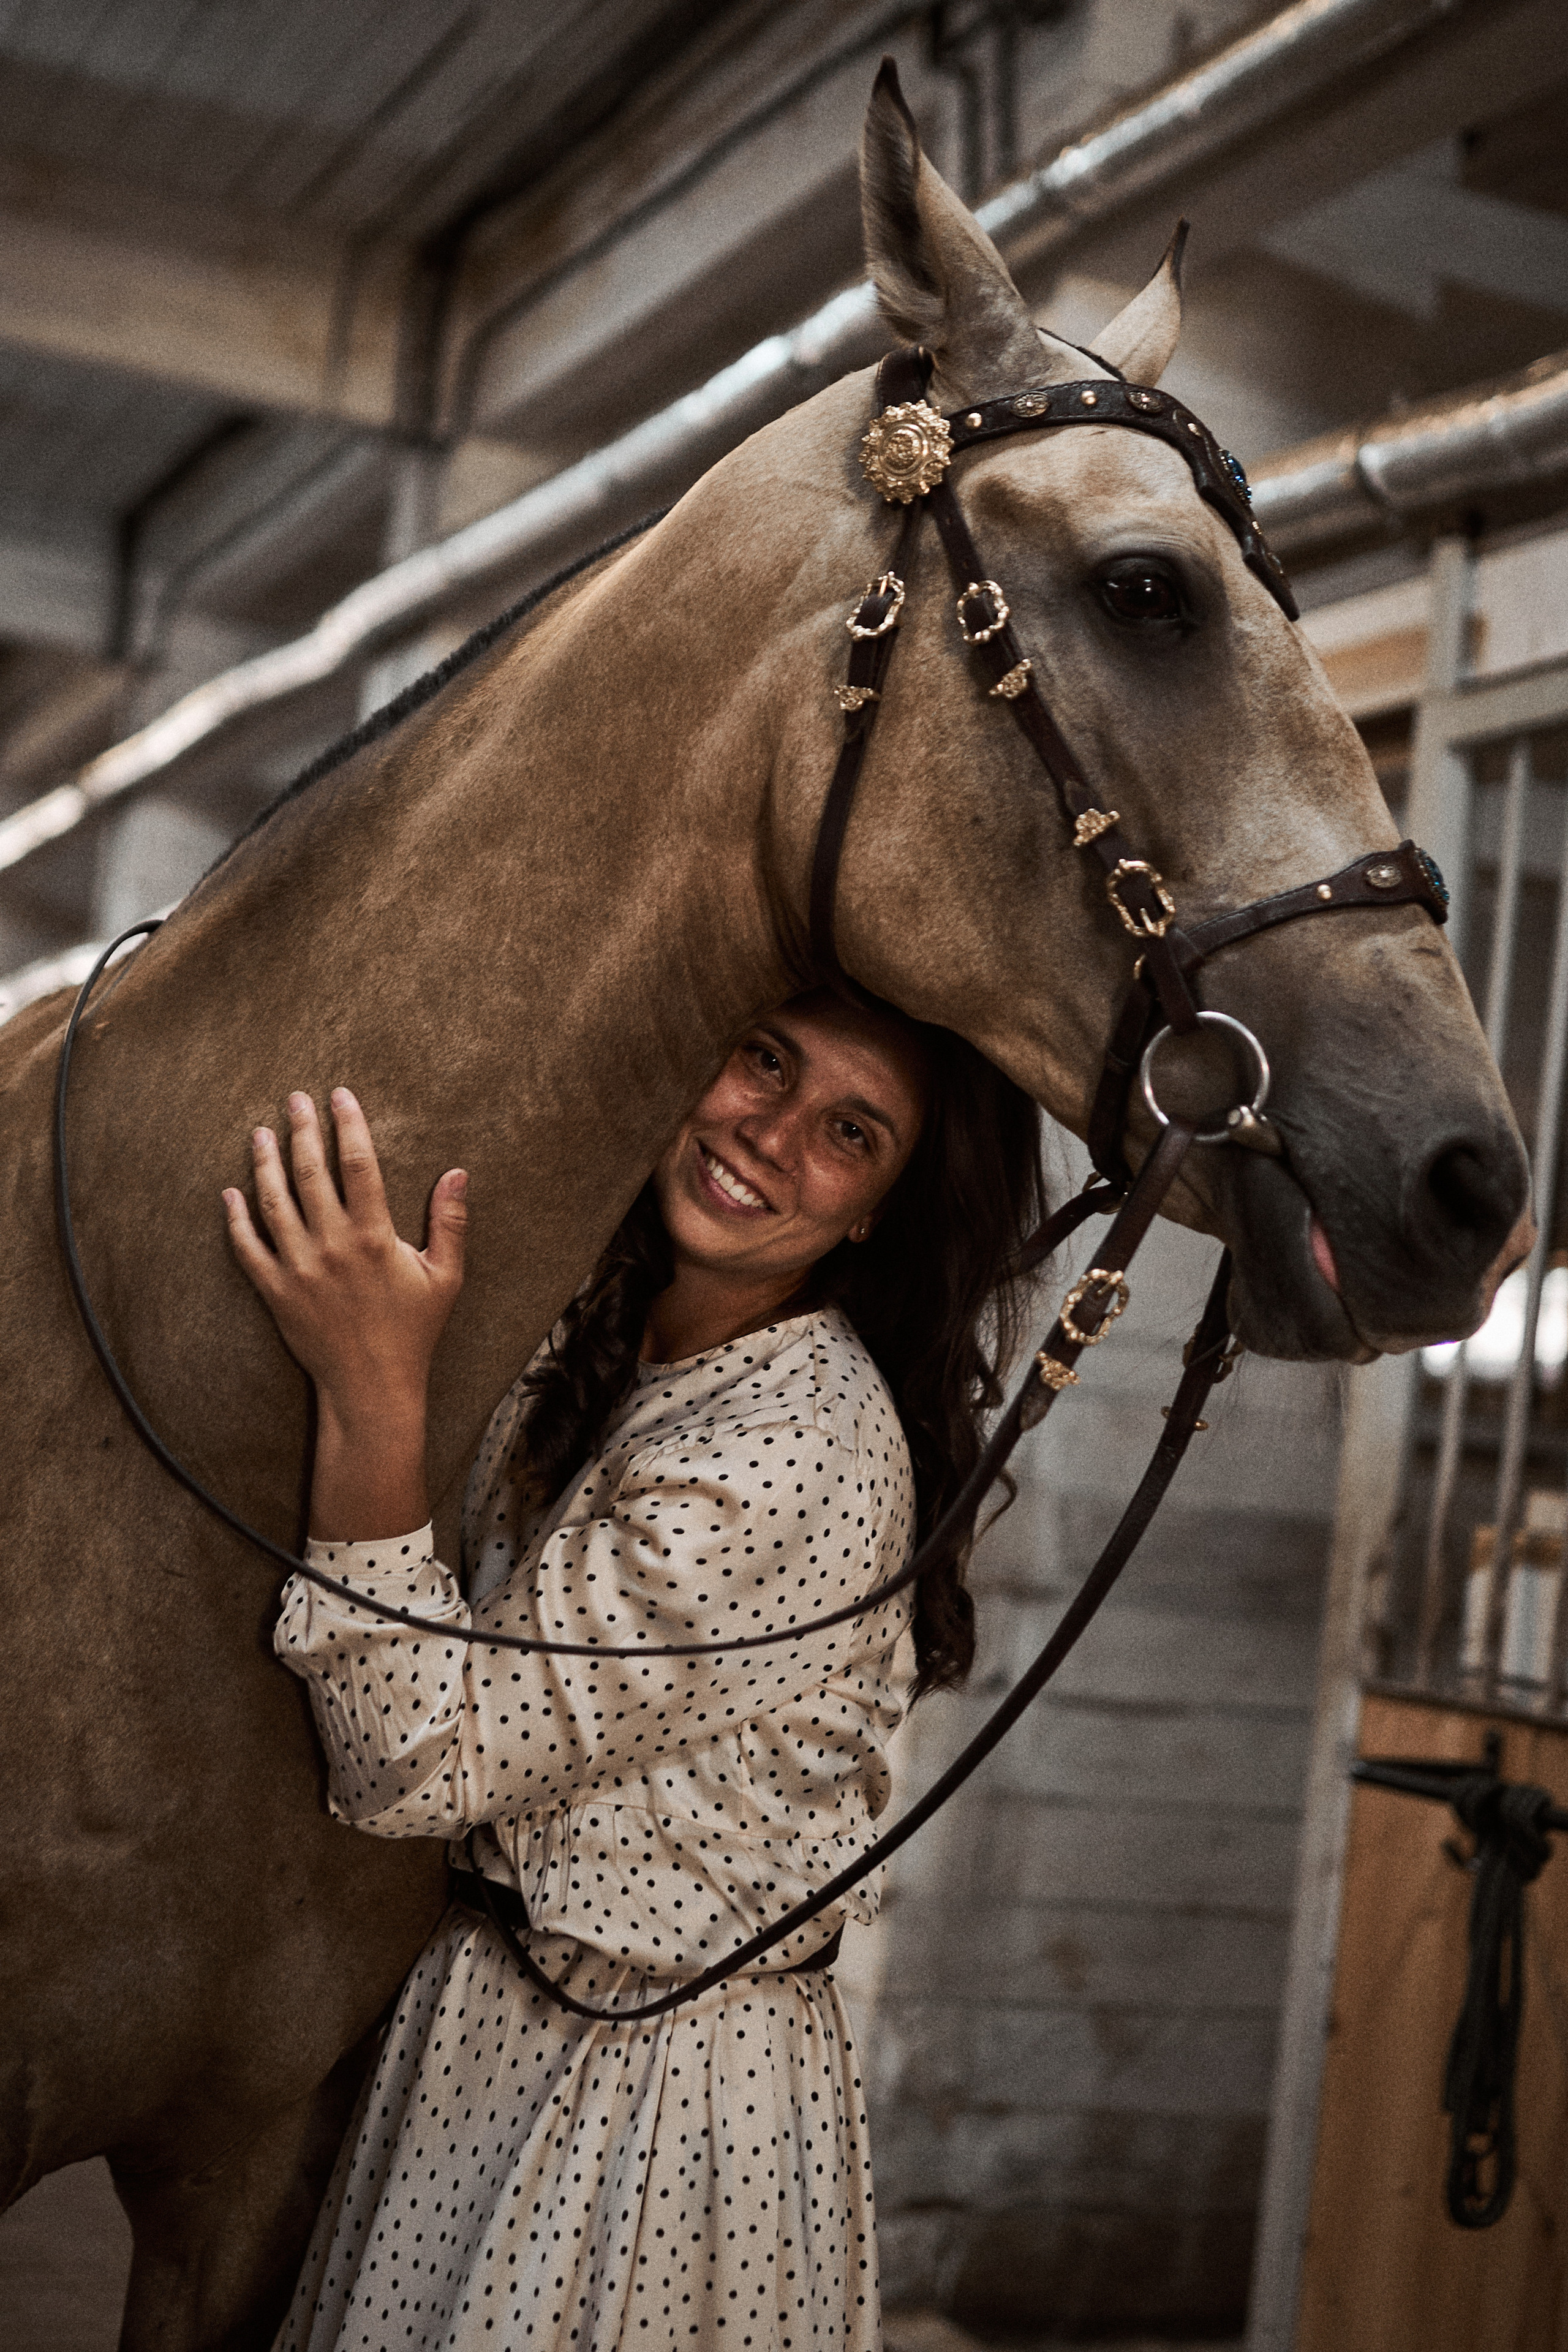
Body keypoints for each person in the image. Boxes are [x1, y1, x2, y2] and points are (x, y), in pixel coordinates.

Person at [225, 989, 1047, 2352]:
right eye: (764, 1062)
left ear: (872, 1215)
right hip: (487, 2025)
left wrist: (371, 1383)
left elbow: (415, 1756)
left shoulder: (799, 1441)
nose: (769, 1134)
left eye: (846, 1132)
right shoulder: (606, 1325)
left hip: (647, 2094)